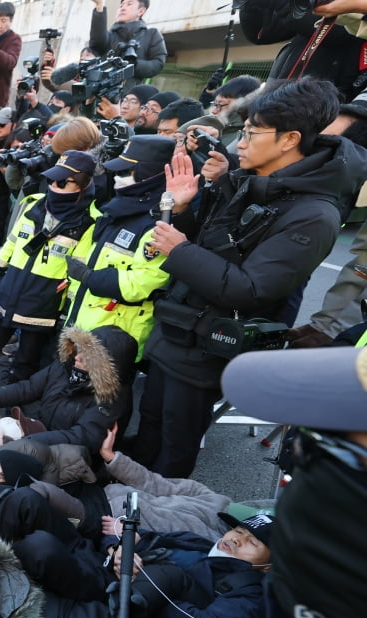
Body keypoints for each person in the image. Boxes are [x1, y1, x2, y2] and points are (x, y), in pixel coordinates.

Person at [28, 345, 367, 618]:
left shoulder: (252, 601)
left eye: (331, 454)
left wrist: (143, 580)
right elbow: (160, 497)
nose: (295, 466)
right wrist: (120, 537)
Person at [130, 77, 367, 479]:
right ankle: (120, 513)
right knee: (148, 425)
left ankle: (157, 527)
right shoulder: (256, 181)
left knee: (174, 448)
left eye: (251, 132)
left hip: (210, 346)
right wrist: (187, 208)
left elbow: (252, 289)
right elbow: (213, 242)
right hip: (178, 329)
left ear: (290, 139)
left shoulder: (315, 213)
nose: (239, 142)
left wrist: (179, 249)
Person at [0, 150, 99, 405]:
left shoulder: (90, 222)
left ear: (83, 184)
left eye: (62, 182)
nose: (53, 186)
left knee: (24, 364)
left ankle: (7, 410)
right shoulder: (34, 203)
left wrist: (67, 311)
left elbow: (78, 272)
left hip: (42, 303)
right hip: (9, 292)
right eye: (53, 180)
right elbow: (12, 244)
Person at [63, 135, 174, 358]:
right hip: (81, 325)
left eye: (125, 172)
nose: (117, 178)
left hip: (115, 341)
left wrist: (88, 277)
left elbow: (144, 282)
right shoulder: (117, 209)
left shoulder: (159, 221)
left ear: (148, 174)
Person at [0, 325, 137, 453]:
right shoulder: (65, 367)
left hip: (67, 458)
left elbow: (81, 438)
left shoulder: (112, 398)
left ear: (104, 367)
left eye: (88, 357)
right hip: (38, 434)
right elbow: (29, 388)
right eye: (80, 349)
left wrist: (28, 442)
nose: (77, 356)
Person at [90, 0, 167, 85]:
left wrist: (132, 64)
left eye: (129, 4)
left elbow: (157, 64)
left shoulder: (152, 34)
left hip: (131, 95)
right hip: (102, 90)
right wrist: (100, 6)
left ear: (141, 11)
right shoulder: (110, 36)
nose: (123, 8)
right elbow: (96, 43)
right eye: (121, 5)